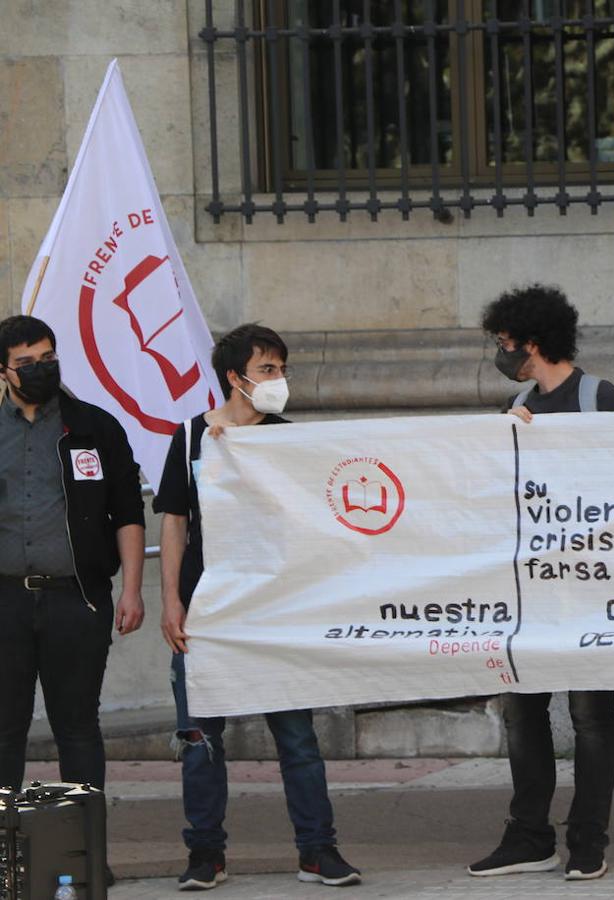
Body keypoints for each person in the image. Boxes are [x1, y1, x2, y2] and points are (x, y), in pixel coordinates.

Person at [154, 324, 361, 890]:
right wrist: (171, 600)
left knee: (297, 738)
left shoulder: (288, 439)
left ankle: (317, 850)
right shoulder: (192, 437)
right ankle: (205, 854)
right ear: (234, 377)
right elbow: (173, 522)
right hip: (208, 612)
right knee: (199, 740)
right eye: (267, 370)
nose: (278, 381)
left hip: (275, 612)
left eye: (281, 369)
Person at [468, 284, 614, 882]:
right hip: (531, 592)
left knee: (590, 717)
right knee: (523, 710)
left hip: (591, 590)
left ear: (530, 342)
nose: (501, 352)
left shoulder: (601, 399)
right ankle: (530, 835)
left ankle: (588, 839)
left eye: (504, 342)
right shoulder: (517, 403)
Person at [0, 314, 145, 795]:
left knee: (78, 728)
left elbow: (128, 512)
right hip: (5, 602)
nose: (40, 369)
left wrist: (131, 591)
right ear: (3, 371)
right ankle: (5, 858)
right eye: (26, 363)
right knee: (4, 732)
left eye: (48, 358)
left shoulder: (94, 427)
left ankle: (85, 857)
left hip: (76, 600)